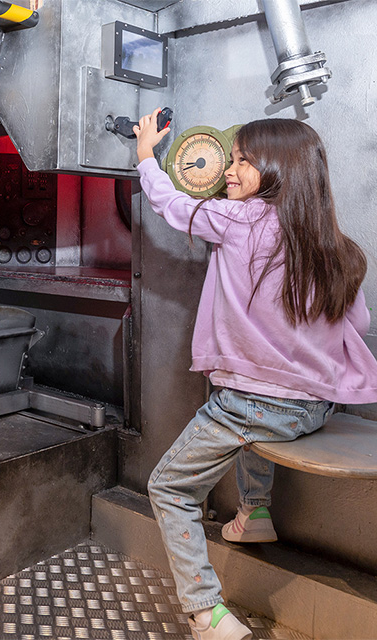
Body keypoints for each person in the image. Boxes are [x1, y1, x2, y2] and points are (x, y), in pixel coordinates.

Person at [133, 109, 377, 640]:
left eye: (243, 160)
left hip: (252, 405)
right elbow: (356, 322)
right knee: (252, 427)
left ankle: (205, 616)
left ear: (280, 168)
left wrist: (147, 156)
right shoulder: (334, 243)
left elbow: (173, 205)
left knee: (170, 488)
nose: (229, 170)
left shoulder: (238, 219)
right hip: (312, 410)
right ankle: (255, 511)